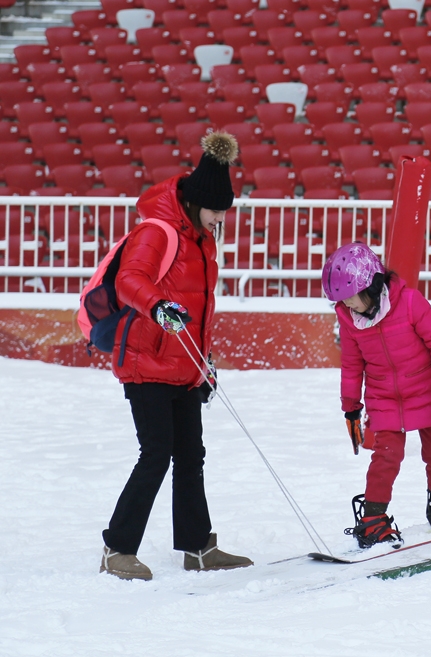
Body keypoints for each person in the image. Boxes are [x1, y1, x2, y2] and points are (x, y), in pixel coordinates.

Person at [100, 131, 253, 581]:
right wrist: (157, 306)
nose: (220, 221)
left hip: (184, 368)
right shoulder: (157, 231)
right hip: (146, 364)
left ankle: (198, 547)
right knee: (157, 454)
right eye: (216, 213)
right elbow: (130, 280)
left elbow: (200, 313)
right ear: (195, 203)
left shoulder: (202, 240)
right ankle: (117, 549)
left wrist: (204, 362)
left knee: (191, 455)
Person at [323, 242, 431, 548]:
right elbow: (352, 365)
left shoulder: (409, 302)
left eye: (348, 298)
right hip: (384, 398)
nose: (345, 306)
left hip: (425, 389)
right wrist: (351, 408)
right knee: (386, 457)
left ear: (370, 284)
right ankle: (372, 519)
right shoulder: (349, 320)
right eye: (339, 301)